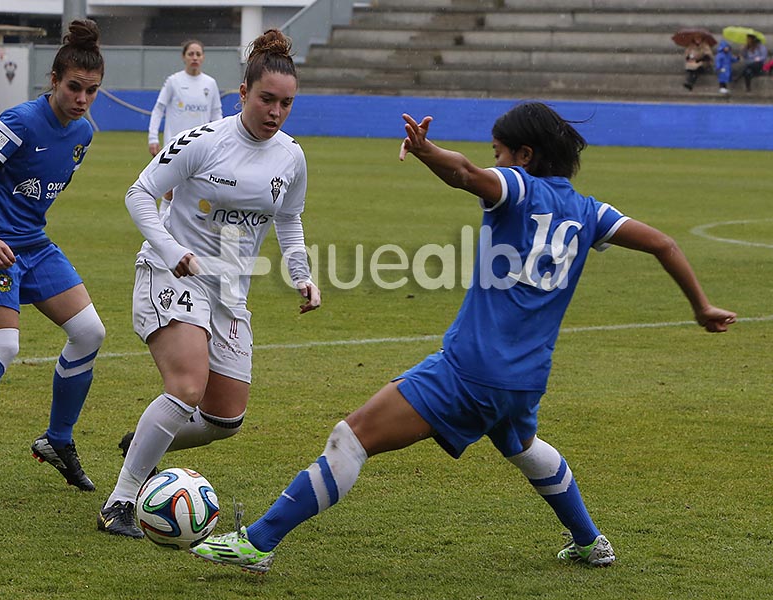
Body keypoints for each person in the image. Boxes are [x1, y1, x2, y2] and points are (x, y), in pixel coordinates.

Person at [189, 102, 738, 573]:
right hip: (525, 380)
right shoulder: (591, 212)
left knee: (350, 437)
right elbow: (665, 243)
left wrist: (427, 152)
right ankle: (590, 542)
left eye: (500, 150)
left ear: (523, 155)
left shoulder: (518, 187)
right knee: (523, 446)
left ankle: (257, 543)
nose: (495, 159)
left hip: (469, 371)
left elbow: (468, 175)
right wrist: (702, 306)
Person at [97, 28, 321, 537]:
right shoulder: (204, 142)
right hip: (172, 275)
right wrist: (173, 251)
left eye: (286, 103)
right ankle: (119, 504)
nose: (276, 111)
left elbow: (289, 219)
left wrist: (302, 274)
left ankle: (146, 440)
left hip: (229, 294)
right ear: (242, 94)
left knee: (225, 418)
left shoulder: (292, 156)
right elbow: (139, 194)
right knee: (186, 387)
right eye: (266, 99)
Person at [0, 19, 106, 505]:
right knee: (4, 345)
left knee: (90, 332)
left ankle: (57, 439)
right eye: (74, 87)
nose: (81, 98)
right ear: (53, 81)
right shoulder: (20, 123)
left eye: (91, 90)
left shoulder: (83, 136)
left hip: (31, 244)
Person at [147, 39, 223, 204]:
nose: (194, 57)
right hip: (175, 146)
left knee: (199, 194)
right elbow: (158, 109)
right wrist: (153, 138)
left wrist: (222, 141)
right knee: (169, 192)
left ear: (203, 58)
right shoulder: (173, 81)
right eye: (191, 54)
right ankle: (162, 227)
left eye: (198, 54)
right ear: (184, 57)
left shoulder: (210, 84)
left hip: (203, 148)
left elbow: (217, 114)